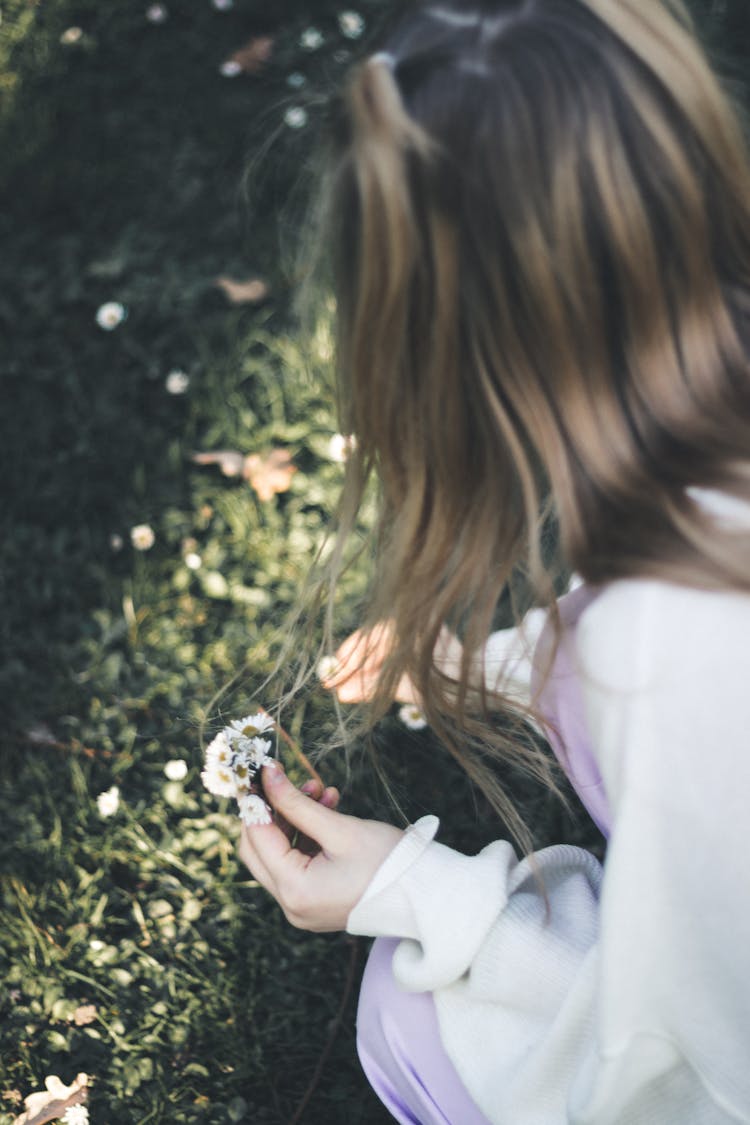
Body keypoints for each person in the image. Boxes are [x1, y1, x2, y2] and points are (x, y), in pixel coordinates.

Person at [238, 0, 750, 1121]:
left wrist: (411, 891)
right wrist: (491, 665)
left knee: (407, 1014)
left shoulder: (665, 649)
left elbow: (688, 1061)